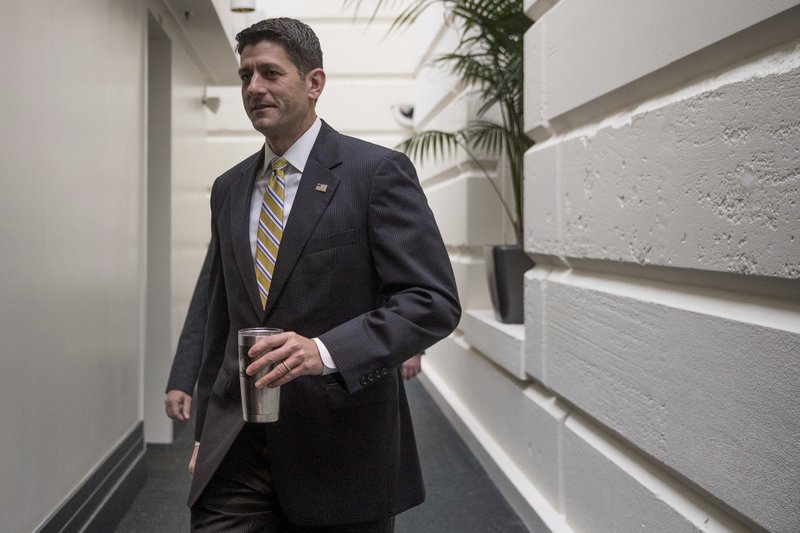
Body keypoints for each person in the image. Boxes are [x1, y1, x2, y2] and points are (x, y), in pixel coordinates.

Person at [188, 17, 460, 532]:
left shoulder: (376, 173)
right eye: (245, 75)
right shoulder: (227, 189)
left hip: (341, 448)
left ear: (315, 83)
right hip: (238, 449)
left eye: (270, 72)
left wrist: (324, 352)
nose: (254, 88)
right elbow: (221, 321)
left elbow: (431, 302)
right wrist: (205, 432)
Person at [164, 247, 424, 425]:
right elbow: (208, 302)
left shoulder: (365, 178)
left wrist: (410, 347)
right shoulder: (232, 192)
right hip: (241, 399)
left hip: (328, 400)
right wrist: (182, 377)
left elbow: (408, 290)